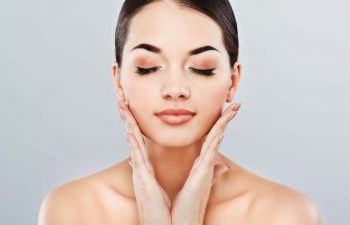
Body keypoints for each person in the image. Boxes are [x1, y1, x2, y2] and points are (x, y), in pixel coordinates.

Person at [38, 0, 321, 224]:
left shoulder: (286, 215)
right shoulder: (71, 211)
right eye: (147, 67)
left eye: (202, 68)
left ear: (232, 81)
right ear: (119, 80)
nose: (175, 89)